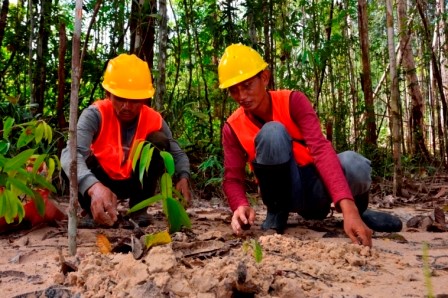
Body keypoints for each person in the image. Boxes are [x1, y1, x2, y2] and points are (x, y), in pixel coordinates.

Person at [218, 44, 402, 247]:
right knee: (273, 132)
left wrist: (348, 208)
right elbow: (232, 177)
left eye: (247, 85)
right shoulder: (232, 127)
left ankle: (357, 212)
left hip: (315, 184)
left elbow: (321, 149)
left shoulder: (293, 101)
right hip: (283, 191)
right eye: (233, 90)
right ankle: (277, 213)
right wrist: (240, 205)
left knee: (354, 163)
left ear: (264, 77)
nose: (241, 96)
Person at [61, 53, 191, 227]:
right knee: (69, 163)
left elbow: (177, 153)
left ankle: (139, 209)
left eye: (134, 100)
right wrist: (93, 186)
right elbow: (71, 154)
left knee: (160, 141)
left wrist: (183, 177)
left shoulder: (153, 119)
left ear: (145, 98)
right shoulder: (94, 114)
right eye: (120, 98)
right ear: (108, 94)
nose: (127, 107)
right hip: (100, 178)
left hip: (134, 181)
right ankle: (94, 209)